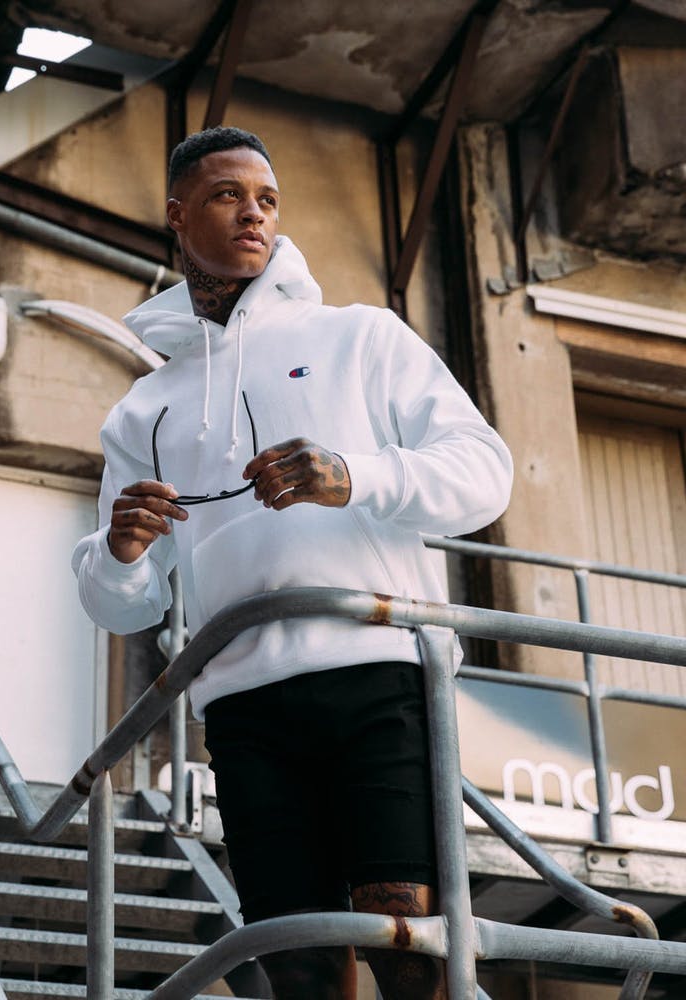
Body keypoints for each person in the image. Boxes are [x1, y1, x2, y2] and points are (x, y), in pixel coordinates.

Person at [72, 125, 513, 1000]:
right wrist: (120, 553)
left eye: (267, 200)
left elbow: (485, 473)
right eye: (228, 196)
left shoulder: (360, 336)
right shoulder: (143, 409)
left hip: (379, 672)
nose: (254, 215)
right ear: (177, 215)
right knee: (296, 967)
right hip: (243, 708)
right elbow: (121, 606)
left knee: (410, 944)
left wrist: (357, 476)